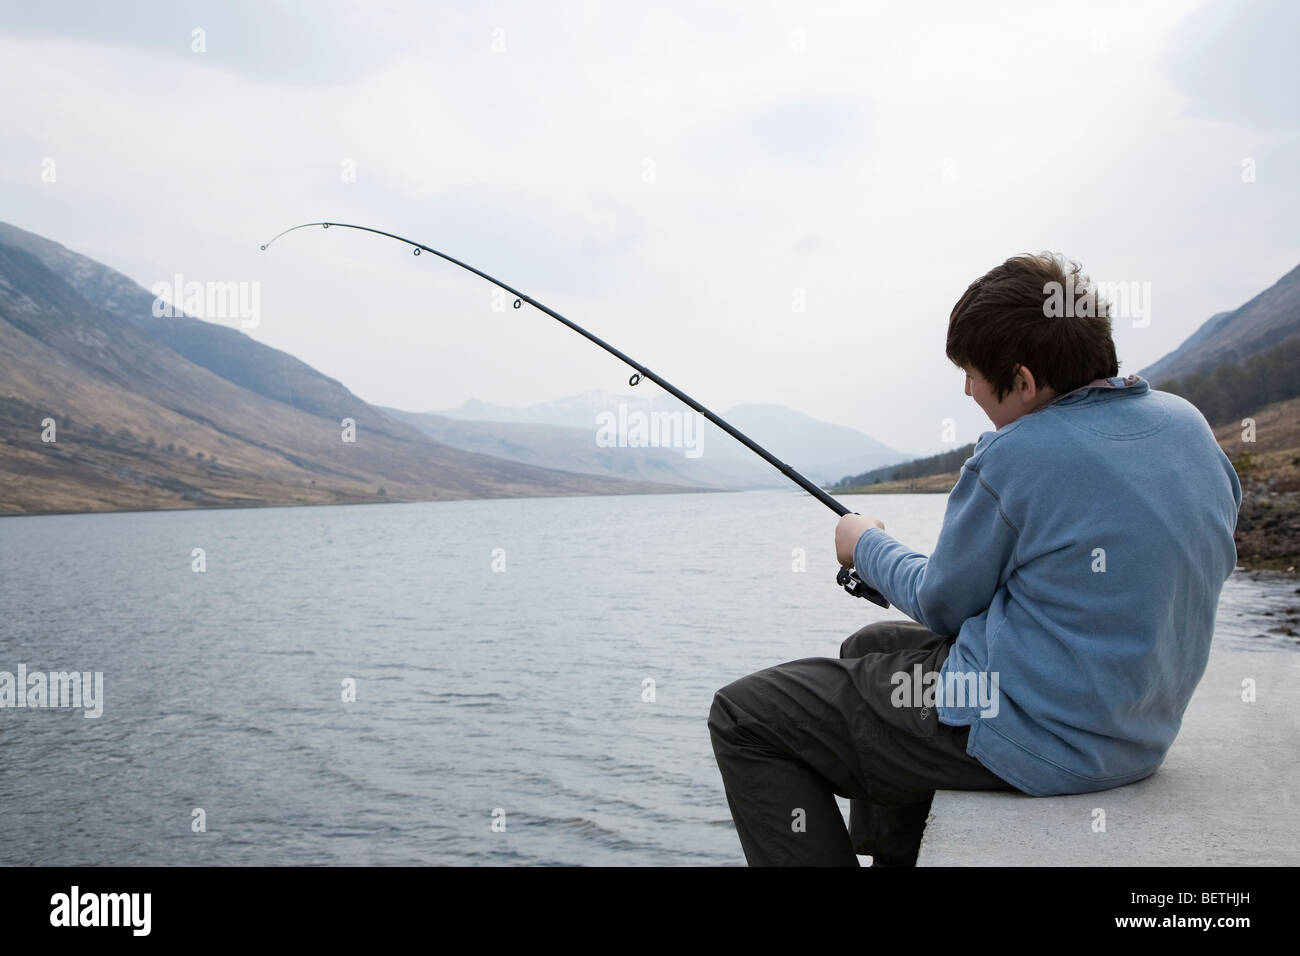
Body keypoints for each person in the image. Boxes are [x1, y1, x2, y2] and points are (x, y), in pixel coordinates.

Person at [708, 252, 1242, 866]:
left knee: (746, 715)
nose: (966, 389)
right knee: (870, 645)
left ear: (1021, 380)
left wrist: (865, 544)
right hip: (1137, 729)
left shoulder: (1017, 454)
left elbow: (943, 603)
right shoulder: (1187, 425)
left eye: (971, 374)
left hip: (1043, 738)